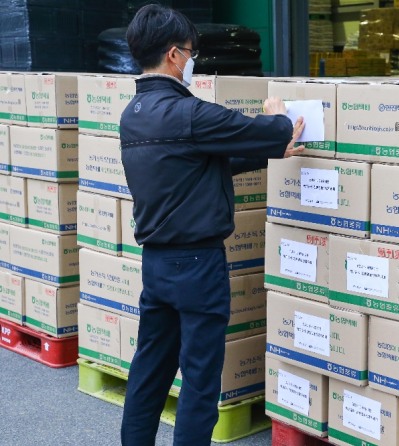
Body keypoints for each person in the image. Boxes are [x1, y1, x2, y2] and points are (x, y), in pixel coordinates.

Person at [119, 4, 304, 445]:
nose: (193, 60)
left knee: (149, 372)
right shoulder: (190, 114)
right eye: (190, 51)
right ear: (173, 56)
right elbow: (264, 129)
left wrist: (272, 152)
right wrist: (278, 120)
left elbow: (192, 168)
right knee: (200, 381)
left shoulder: (134, 115)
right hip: (198, 265)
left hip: (157, 264)